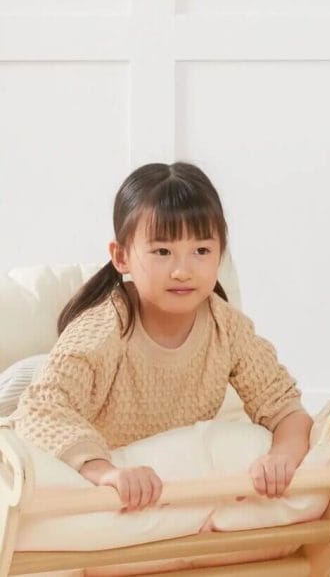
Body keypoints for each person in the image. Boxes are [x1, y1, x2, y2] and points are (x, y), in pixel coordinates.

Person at [8, 162, 312, 511]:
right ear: (121, 257)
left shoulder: (228, 328)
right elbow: (41, 410)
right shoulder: (103, 331)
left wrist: (280, 459)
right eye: (162, 252)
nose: (183, 271)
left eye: (201, 251)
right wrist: (105, 472)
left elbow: (285, 407)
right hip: (25, 387)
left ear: (220, 254)